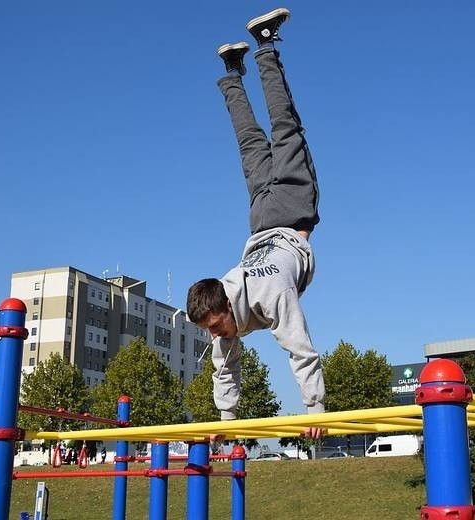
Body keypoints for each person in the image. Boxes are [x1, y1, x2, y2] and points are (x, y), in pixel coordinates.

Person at [186, 7, 324, 439]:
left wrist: (314, 410)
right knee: (248, 142)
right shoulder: (219, 310)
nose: (219, 334)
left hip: (287, 211)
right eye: (212, 329)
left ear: (226, 303)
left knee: (287, 129)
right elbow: (222, 371)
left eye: (216, 326)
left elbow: (298, 347)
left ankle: (265, 44)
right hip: (261, 219)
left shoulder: (271, 293)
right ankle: (231, 70)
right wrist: (226, 423)